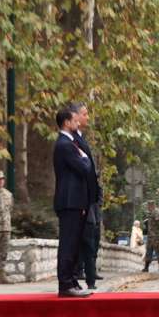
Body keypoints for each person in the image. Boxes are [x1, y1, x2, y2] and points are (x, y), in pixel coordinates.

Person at [52, 105, 97, 297]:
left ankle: (71, 280)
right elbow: (84, 167)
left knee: (74, 244)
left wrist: (84, 158)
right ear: (66, 122)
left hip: (76, 201)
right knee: (68, 244)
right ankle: (65, 284)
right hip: (69, 201)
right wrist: (85, 158)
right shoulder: (64, 144)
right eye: (74, 119)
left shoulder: (70, 143)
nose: (77, 122)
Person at [71, 103, 103, 287]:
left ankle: (89, 280)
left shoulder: (80, 138)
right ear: (74, 117)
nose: (88, 117)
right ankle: (74, 279)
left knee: (89, 244)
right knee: (77, 245)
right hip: (80, 204)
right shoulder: (72, 140)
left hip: (89, 205)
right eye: (84, 114)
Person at [143, 201, 159, 272]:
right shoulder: (150, 212)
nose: (147, 207)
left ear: (152, 205)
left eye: (148, 206)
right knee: (148, 251)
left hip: (156, 236)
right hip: (150, 236)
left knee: (158, 251)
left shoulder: (156, 212)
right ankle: (146, 268)